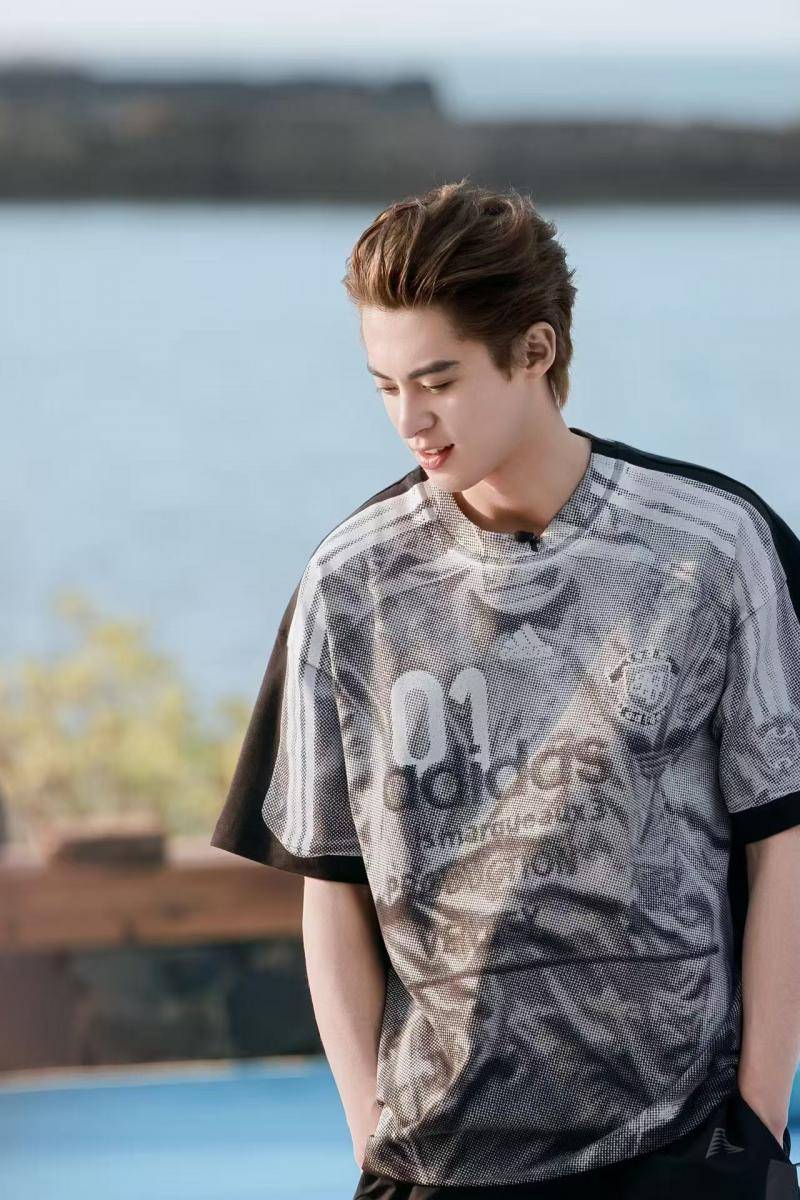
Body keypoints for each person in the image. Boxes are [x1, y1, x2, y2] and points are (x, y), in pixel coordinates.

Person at [210, 178, 800, 1198]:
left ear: (535, 350)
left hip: (684, 1154)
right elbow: (330, 888)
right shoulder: (351, 583)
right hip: (436, 1165)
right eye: (385, 386)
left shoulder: (714, 548)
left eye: (437, 380)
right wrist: (370, 1141)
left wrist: (755, 1124)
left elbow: (783, 845)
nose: (410, 418)